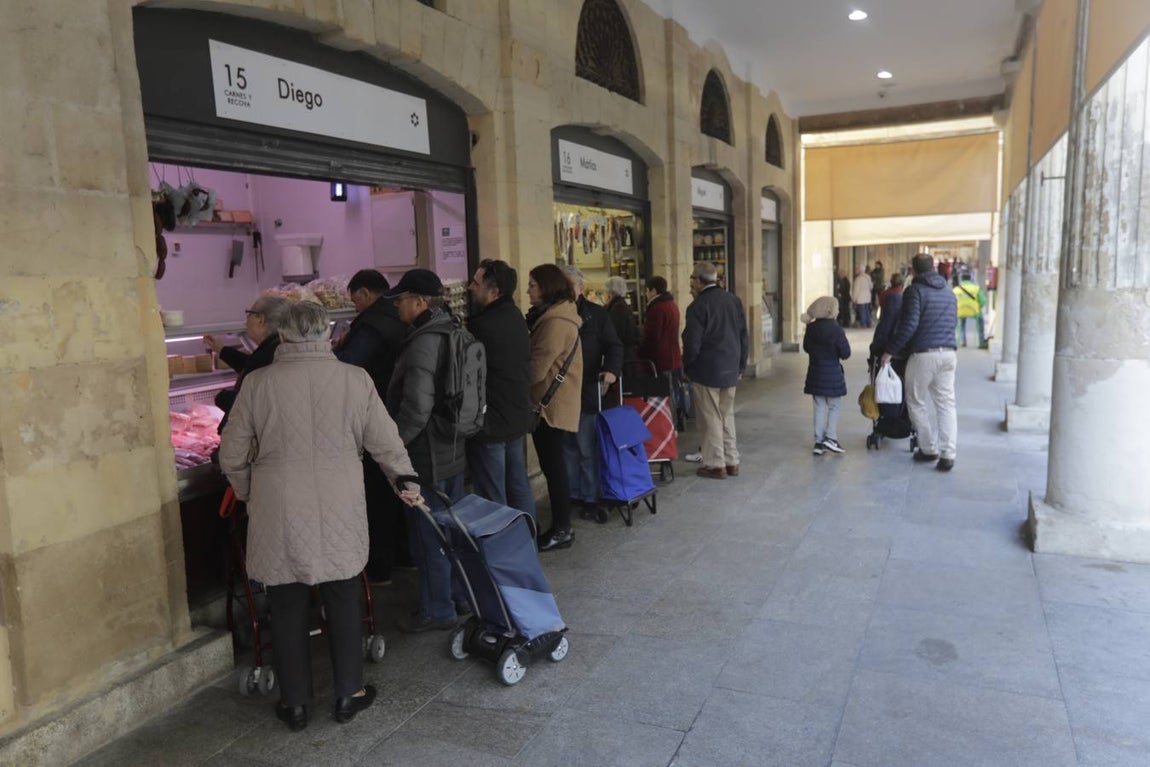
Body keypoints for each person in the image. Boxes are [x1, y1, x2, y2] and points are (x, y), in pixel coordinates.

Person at [219, 301, 423, 732]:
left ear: (284, 335)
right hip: (339, 501)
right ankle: (349, 693)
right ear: (326, 334)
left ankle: (294, 704)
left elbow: (232, 454)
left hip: (277, 505)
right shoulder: (354, 379)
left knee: (285, 601)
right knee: (344, 595)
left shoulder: (258, 383)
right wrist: (405, 481)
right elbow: (386, 441)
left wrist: (248, 492)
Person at [384, 269, 467, 632]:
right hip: (453, 444)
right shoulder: (456, 328)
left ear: (420, 302)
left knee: (428, 535)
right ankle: (461, 597)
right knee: (453, 530)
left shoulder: (422, 340)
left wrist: (392, 444)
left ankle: (437, 609)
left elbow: (417, 406)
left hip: (426, 453)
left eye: (401, 300)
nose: (397, 306)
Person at [334, 269, 411, 584]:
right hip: (393, 411)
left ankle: (380, 565)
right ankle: (406, 554)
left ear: (364, 293)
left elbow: (348, 366)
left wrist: (335, 353)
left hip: (373, 414)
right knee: (399, 487)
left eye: (354, 299)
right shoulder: (396, 316)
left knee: (378, 492)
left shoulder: (371, 325)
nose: (353, 306)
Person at [465, 259, 535, 516]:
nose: (470, 287)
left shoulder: (482, 326)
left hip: (492, 422)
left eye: (476, 283)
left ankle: (498, 552)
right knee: (518, 485)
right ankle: (525, 545)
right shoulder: (515, 316)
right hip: (515, 417)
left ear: (494, 292)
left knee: (493, 496)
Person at [881, 253, 959, 472]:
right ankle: (948, 454)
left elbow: (908, 326)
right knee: (946, 403)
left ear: (914, 270)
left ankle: (928, 448)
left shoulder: (915, 291)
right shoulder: (948, 291)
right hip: (949, 353)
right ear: (932, 269)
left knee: (915, 400)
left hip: (924, 354)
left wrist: (890, 351)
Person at [526, 264, 584, 551]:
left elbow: (537, 369)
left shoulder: (555, 321)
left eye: (533, 284)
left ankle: (562, 528)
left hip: (550, 407)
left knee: (554, 468)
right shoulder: (558, 315)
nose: (528, 290)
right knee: (555, 467)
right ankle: (562, 525)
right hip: (555, 402)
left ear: (547, 286)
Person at [561, 266, 623, 518]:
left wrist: (611, 370)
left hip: (587, 389)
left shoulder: (596, 314)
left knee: (586, 448)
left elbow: (614, 345)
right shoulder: (553, 314)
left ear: (580, 288)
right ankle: (573, 494)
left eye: (570, 286)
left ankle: (589, 496)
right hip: (561, 392)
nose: (566, 291)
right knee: (566, 448)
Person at [682, 261, 749, 479]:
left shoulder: (697, 307)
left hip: (706, 370)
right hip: (730, 368)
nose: (690, 284)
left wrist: (687, 366)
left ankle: (714, 464)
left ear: (700, 281)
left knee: (710, 417)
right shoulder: (733, 300)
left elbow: (692, 343)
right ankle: (732, 460)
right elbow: (743, 336)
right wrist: (741, 365)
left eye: (692, 279)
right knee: (726, 415)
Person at [204, 294, 289, 434]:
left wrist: (223, 398)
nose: (246, 319)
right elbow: (250, 365)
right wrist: (221, 350)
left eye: (249, 314)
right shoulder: (275, 347)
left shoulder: (270, 353)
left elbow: (251, 406)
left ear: (261, 320)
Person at [802, 296, 850, 456]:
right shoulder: (837, 330)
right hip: (833, 374)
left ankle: (818, 441)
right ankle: (830, 437)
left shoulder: (811, 328)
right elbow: (846, 353)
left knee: (819, 406)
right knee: (834, 405)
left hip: (815, 372)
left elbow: (806, 347)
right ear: (830, 310)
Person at [638, 275, 686, 421]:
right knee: (673, 392)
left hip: (661, 359)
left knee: (665, 394)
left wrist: (640, 352)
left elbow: (652, 336)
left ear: (653, 291)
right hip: (673, 357)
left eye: (647, 290)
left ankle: (669, 423)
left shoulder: (656, 309)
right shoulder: (671, 304)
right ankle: (676, 420)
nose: (646, 294)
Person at [604, 276, 640, 366]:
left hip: (622, 358)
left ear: (609, 293)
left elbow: (615, 334)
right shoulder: (622, 305)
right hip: (626, 355)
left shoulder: (617, 308)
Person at [871, 272, 905, 360]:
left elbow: (881, 304)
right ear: (902, 283)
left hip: (884, 320)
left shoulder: (884, 293)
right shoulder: (903, 295)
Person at [953, 270, 987, 348]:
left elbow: (952, 301)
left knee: (961, 323)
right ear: (970, 279)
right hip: (974, 311)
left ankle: (962, 341)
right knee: (980, 321)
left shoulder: (956, 290)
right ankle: (981, 341)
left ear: (961, 279)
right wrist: (979, 307)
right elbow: (983, 301)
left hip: (960, 311)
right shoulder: (976, 288)